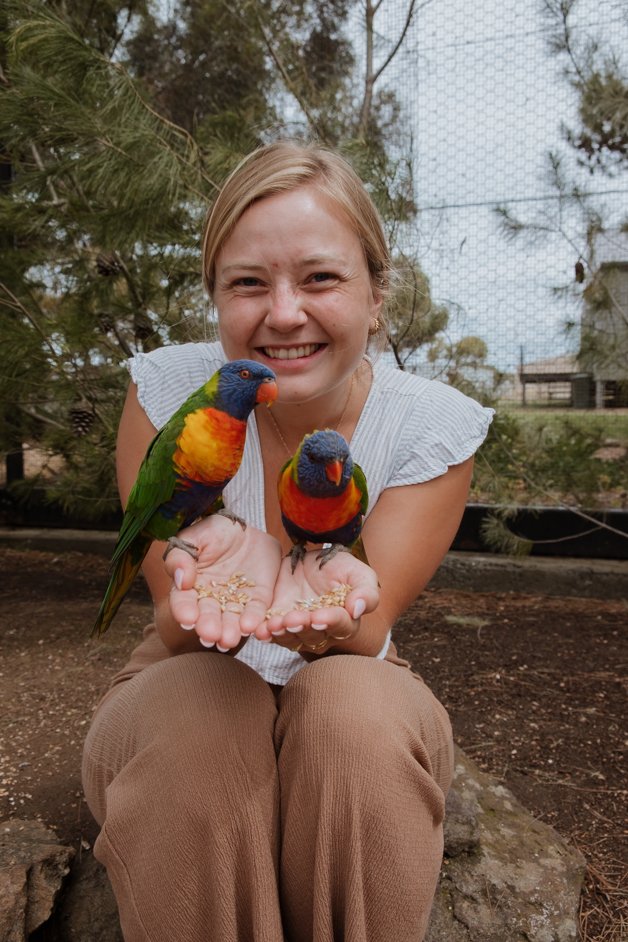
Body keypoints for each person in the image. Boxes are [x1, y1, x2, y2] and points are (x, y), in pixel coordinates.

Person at [82, 140, 493, 942]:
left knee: (352, 721)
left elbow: (367, 627)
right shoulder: (172, 399)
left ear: (377, 295)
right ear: (215, 300)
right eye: (247, 283)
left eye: (321, 277)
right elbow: (174, 612)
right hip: (185, 668)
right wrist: (195, 589)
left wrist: (329, 606)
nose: (282, 313)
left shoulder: (432, 426)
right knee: (202, 718)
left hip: (351, 667)